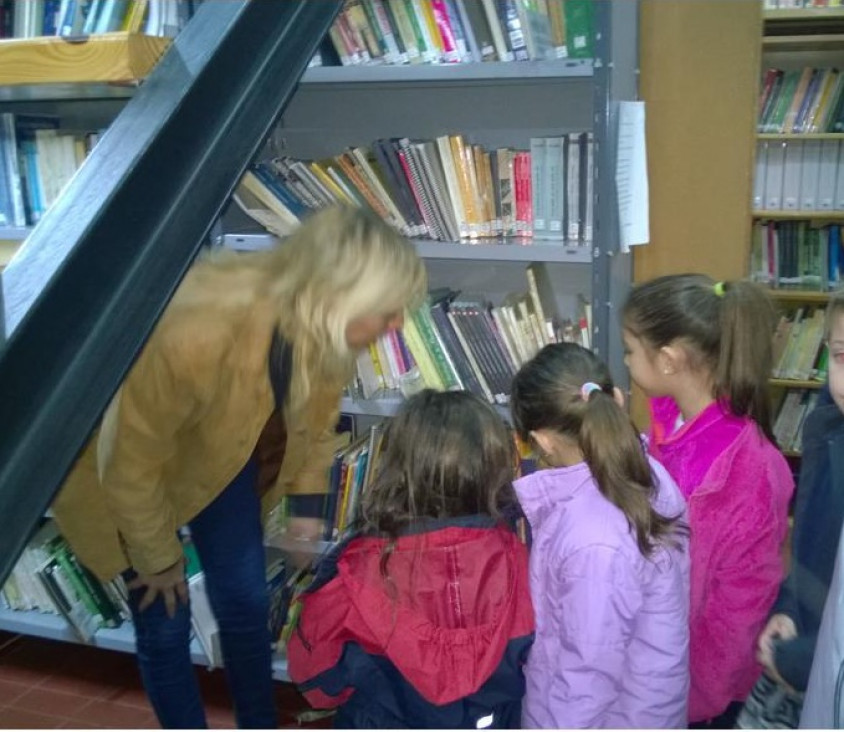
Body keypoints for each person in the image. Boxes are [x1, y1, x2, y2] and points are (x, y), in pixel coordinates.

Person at [50, 205, 427, 729]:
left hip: (218, 459)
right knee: (164, 620)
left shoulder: (323, 329)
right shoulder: (197, 328)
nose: (396, 324)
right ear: (337, 295)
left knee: (247, 603)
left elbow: (317, 428)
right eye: (386, 309)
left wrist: (307, 507)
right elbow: (128, 462)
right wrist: (157, 558)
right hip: (121, 478)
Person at [287, 389, 535, 729]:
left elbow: (313, 674)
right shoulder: (520, 561)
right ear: (494, 468)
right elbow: (537, 661)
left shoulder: (357, 566)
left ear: (396, 468)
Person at [622, 274, 795, 727]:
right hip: (660, 666)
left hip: (700, 693)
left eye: (629, 350)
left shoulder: (750, 471)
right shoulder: (673, 422)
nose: (625, 361)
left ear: (667, 360)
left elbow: (740, 610)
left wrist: (693, 699)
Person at [509, 342, 690, 728]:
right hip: (642, 705)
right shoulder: (647, 473)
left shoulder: (592, 540)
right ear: (618, 399)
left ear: (542, 440)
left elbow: (586, 676)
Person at [751, 293, 844, 726]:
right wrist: (788, 608)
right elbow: (812, 549)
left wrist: (809, 661)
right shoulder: (826, 430)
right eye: (842, 356)